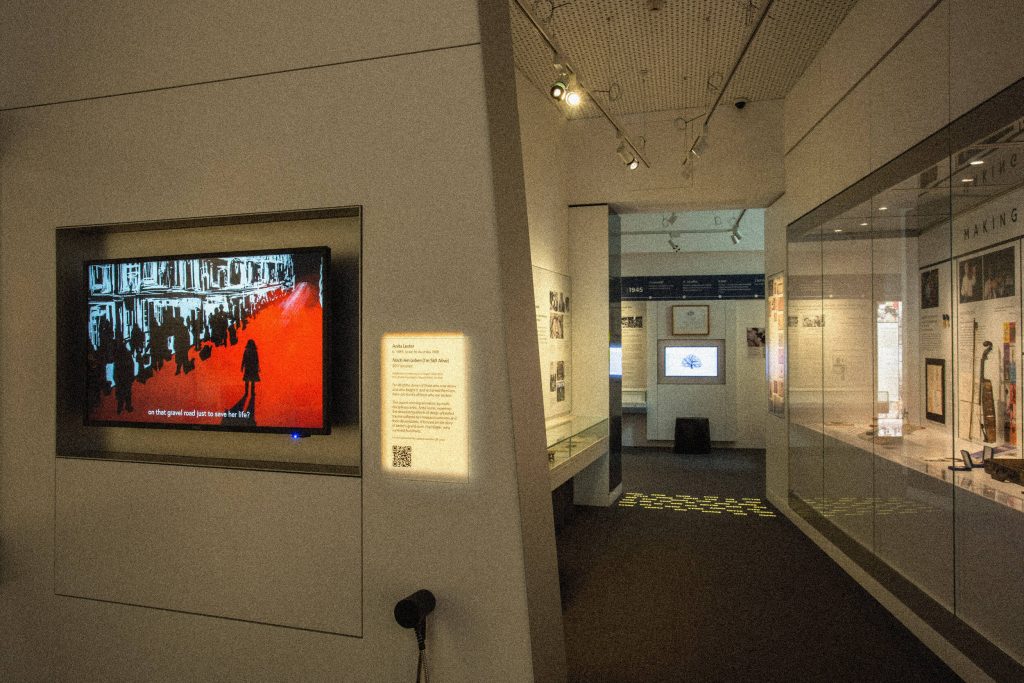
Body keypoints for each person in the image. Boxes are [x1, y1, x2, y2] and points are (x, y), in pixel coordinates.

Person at [113, 339, 135, 414]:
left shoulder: (117, 356)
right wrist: (132, 376)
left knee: (120, 394)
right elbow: (132, 366)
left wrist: (115, 378)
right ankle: (128, 407)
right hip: (127, 377)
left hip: (120, 378)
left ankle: (119, 408)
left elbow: (115, 369)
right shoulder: (128, 354)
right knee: (128, 392)